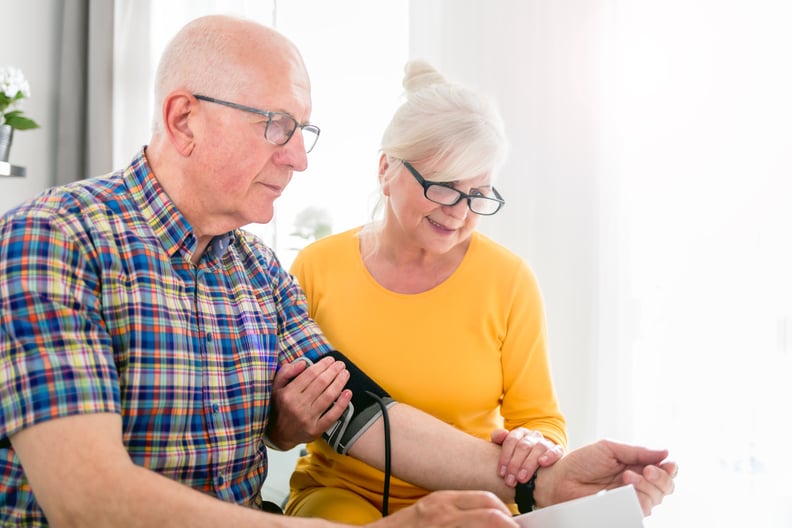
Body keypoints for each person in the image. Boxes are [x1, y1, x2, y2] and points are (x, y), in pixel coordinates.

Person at [0, 14, 676, 528]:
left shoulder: (259, 271)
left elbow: (361, 417)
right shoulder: (54, 240)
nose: (299, 158)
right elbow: (87, 499)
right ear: (184, 120)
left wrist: (544, 485)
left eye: (304, 131)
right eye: (277, 126)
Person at [284, 59, 567, 523]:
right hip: (341, 495)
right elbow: (284, 418)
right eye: (444, 187)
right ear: (385, 169)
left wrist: (536, 443)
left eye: (479, 193)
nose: (460, 211)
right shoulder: (317, 267)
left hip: (472, 497)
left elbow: (540, 419)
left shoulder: (509, 280)